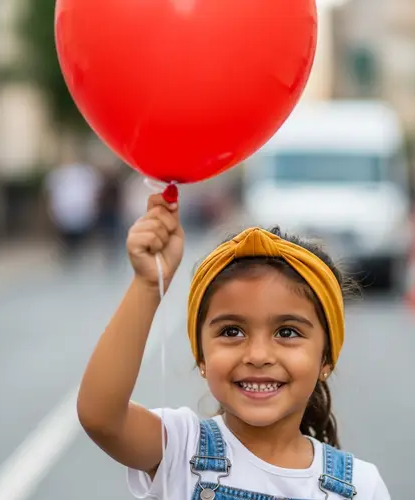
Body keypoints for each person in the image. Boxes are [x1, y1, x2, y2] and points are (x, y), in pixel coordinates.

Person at [77, 193, 391, 500]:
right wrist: (148, 284)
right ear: (201, 356)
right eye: (232, 331)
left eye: (287, 332)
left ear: (326, 358)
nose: (258, 355)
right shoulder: (181, 447)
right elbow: (101, 418)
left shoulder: (361, 487)